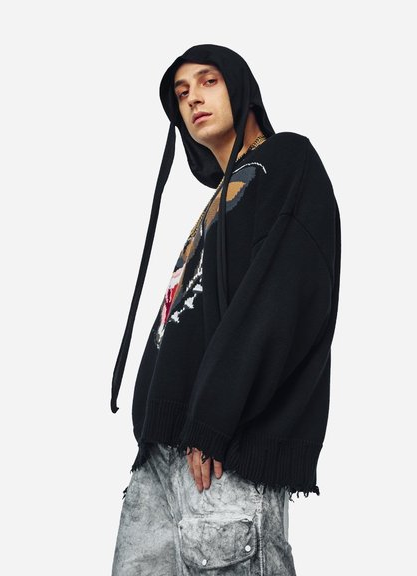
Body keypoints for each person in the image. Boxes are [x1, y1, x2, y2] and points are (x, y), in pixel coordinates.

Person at [109, 44, 341, 575]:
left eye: (207, 81)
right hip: (158, 464)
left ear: (240, 87)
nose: (192, 98)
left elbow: (281, 296)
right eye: (181, 92)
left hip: (222, 455)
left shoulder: (286, 161)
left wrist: (213, 419)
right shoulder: (221, 200)